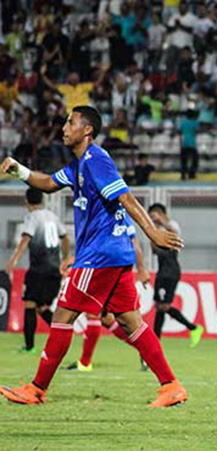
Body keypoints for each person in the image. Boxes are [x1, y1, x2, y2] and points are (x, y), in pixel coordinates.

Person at [0, 105, 187, 407]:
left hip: (100, 255)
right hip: (113, 255)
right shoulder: (77, 166)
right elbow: (47, 183)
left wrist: (152, 233)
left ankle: (36, 389)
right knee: (130, 322)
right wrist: (18, 170)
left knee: (64, 315)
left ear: (86, 130)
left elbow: (125, 196)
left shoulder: (97, 160)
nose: (63, 127)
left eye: (70, 122)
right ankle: (171, 385)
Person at [64, 228, 151, 372]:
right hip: (105, 267)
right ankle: (146, 351)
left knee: (94, 314)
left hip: (104, 268)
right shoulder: (108, 213)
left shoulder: (116, 213)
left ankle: (85, 363)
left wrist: (141, 269)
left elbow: (133, 241)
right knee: (107, 319)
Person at [4, 188, 69, 353]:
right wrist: (65, 260)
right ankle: (63, 331)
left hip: (39, 269)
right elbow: (65, 237)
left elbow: (26, 238)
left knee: (30, 304)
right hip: (54, 270)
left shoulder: (32, 217)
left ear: (27, 201)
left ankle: (29, 346)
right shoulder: (52, 216)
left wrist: (14, 260)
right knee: (42, 307)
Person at [148, 203, 204, 347]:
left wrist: (161, 223)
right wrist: (151, 233)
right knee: (159, 307)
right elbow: (155, 251)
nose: (153, 219)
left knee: (164, 307)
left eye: (154, 216)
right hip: (162, 271)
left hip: (171, 271)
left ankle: (193, 328)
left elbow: (175, 237)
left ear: (161, 214)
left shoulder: (172, 225)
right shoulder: (155, 230)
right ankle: (154, 346)